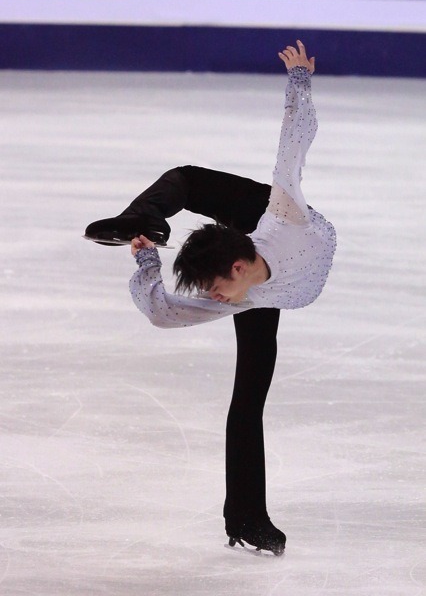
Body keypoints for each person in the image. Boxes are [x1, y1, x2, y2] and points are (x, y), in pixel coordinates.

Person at [85, 41, 336, 555]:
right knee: (185, 181)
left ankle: (245, 514)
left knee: (250, 395)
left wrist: (300, 83)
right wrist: (146, 259)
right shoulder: (236, 294)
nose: (214, 301)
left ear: (237, 270)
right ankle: (247, 519)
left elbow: (293, 145)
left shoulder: (286, 214)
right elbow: (163, 312)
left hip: (269, 225)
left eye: (216, 288)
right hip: (253, 258)